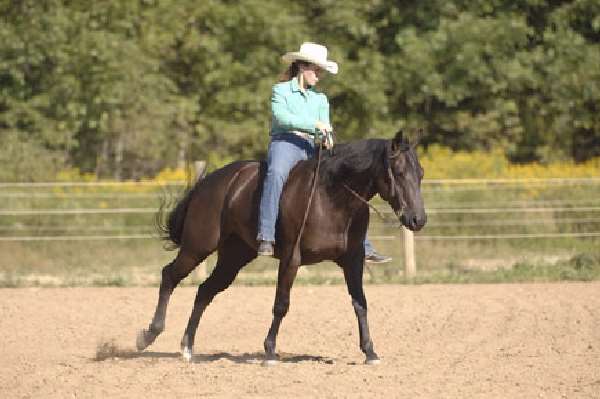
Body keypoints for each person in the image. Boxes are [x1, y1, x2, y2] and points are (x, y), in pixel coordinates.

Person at [256, 42, 391, 264]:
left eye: (321, 71)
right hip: (285, 143)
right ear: (302, 66)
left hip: (311, 146)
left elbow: (324, 128)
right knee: (277, 173)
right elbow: (282, 118)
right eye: (316, 70)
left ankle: (364, 245)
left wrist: (327, 138)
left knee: (344, 182)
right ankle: (266, 235)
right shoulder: (280, 91)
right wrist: (315, 125)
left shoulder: (320, 99)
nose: (319, 75)